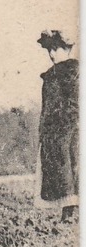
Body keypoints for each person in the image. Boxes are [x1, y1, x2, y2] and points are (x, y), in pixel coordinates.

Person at [37, 30, 78, 222]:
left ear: (66, 49)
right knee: (60, 169)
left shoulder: (73, 72)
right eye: (48, 50)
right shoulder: (51, 75)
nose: (52, 54)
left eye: (55, 48)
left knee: (72, 166)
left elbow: (75, 103)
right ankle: (67, 212)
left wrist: (66, 124)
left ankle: (71, 213)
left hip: (70, 129)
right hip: (54, 131)